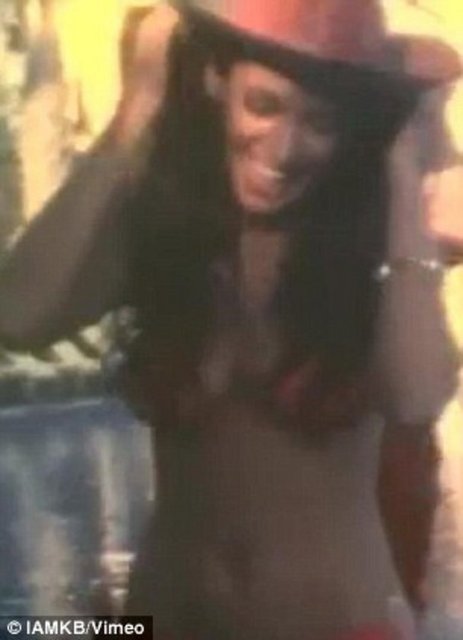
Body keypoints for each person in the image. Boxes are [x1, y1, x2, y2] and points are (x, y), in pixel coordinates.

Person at [0, 1, 460, 638]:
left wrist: (403, 169)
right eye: (263, 106)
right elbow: (19, 315)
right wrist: (136, 111)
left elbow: (417, 398)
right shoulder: (168, 228)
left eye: (320, 123)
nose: (285, 148)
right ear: (216, 81)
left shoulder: (371, 241)